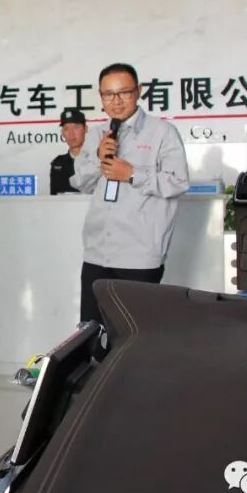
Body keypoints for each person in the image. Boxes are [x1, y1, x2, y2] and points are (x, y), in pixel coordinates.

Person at [71, 63, 189, 323]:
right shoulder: (97, 134)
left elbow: (178, 182)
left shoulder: (162, 132)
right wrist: (98, 159)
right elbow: (81, 182)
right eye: (108, 94)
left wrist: (132, 174)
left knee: (136, 332)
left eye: (123, 92)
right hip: (97, 253)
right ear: (100, 96)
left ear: (138, 91)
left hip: (139, 255)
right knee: (92, 331)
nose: (116, 101)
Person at [49, 109, 88, 195]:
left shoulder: (96, 159)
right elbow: (54, 197)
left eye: (76, 127)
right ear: (62, 133)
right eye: (66, 129)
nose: (71, 134)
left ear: (85, 129)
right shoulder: (58, 163)